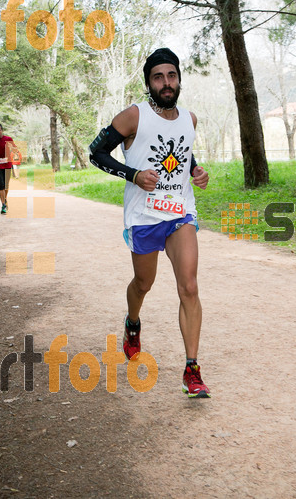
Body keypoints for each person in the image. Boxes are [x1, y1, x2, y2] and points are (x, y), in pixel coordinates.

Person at [89, 47, 211, 398]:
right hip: (144, 216)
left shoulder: (190, 119)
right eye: (158, 76)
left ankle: (192, 369)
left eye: (171, 75)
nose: (166, 82)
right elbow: (95, 152)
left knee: (189, 286)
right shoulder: (133, 116)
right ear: (148, 83)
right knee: (144, 283)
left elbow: (181, 154)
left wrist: (195, 171)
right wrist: (132, 174)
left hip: (179, 213)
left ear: (179, 79)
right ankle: (132, 323)